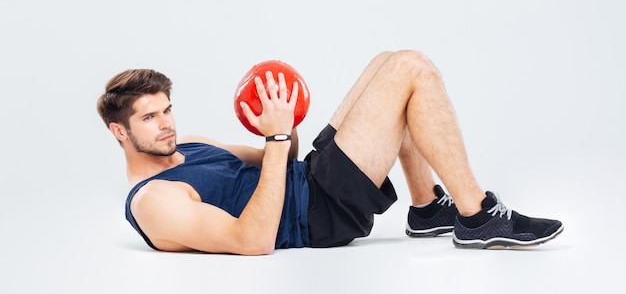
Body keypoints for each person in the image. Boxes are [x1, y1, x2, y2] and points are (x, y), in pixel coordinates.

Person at [97, 50, 563, 254]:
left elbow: (273, 160)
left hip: (311, 178)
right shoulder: (154, 200)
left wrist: (281, 123)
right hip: (318, 215)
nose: (167, 125)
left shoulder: (191, 146)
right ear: (119, 131)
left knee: (386, 61)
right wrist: (277, 141)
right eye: (149, 118)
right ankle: (478, 217)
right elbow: (251, 241)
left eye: (167, 110)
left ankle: (426, 211)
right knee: (410, 70)